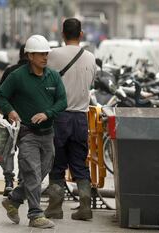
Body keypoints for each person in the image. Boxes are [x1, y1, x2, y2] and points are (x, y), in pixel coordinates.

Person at [0, 35, 67, 229]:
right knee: (33, 174)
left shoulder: (54, 76)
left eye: (46, 54)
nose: (44, 57)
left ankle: (14, 199)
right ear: (30, 56)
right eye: (40, 54)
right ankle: (35, 214)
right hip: (27, 134)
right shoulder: (17, 76)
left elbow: (62, 101)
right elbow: (0, 96)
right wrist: (10, 111)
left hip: (47, 133)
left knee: (41, 171)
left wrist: (47, 113)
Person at [45, 18, 96, 221]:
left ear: (62, 34)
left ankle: (55, 208)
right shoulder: (90, 57)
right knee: (79, 162)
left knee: (57, 163)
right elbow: (91, 83)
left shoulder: (54, 55)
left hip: (60, 117)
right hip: (81, 118)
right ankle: (85, 207)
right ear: (81, 34)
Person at [0, 44, 27, 196]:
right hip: (29, 121)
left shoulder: (10, 70)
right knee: (26, 152)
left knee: (8, 151)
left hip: (9, 120)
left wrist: (6, 111)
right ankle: (22, 183)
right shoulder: (37, 73)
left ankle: (9, 181)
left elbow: (0, 95)